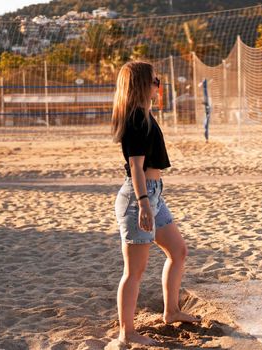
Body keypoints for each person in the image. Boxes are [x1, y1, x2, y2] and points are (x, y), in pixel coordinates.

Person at [111, 61, 200, 346]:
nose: (158, 84)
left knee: (178, 251)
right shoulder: (136, 119)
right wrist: (144, 203)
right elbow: (135, 167)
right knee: (133, 272)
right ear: (141, 85)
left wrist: (151, 200)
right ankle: (127, 333)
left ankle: (171, 311)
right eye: (154, 80)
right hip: (140, 198)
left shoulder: (145, 115)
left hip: (154, 195)